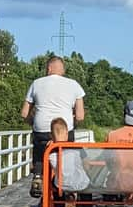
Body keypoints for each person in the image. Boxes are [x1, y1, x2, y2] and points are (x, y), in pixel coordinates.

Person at [20, 56, 86, 197]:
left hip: (42, 131)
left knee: (39, 150)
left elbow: (24, 113)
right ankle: (66, 182)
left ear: (49, 68)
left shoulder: (36, 83)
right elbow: (80, 116)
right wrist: (71, 124)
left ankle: (38, 175)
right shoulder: (74, 84)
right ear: (62, 70)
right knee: (67, 156)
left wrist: (34, 123)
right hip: (64, 131)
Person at [47, 117, 90, 194]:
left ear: (51, 135)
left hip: (61, 185)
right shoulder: (77, 148)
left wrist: (49, 146)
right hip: (80, 184)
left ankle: (58, 205)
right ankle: (85, 205)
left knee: (54, 181)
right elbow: (87, 165)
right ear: (67, 133)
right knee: (86, 181)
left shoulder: (50, 150)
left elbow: (46, 168)